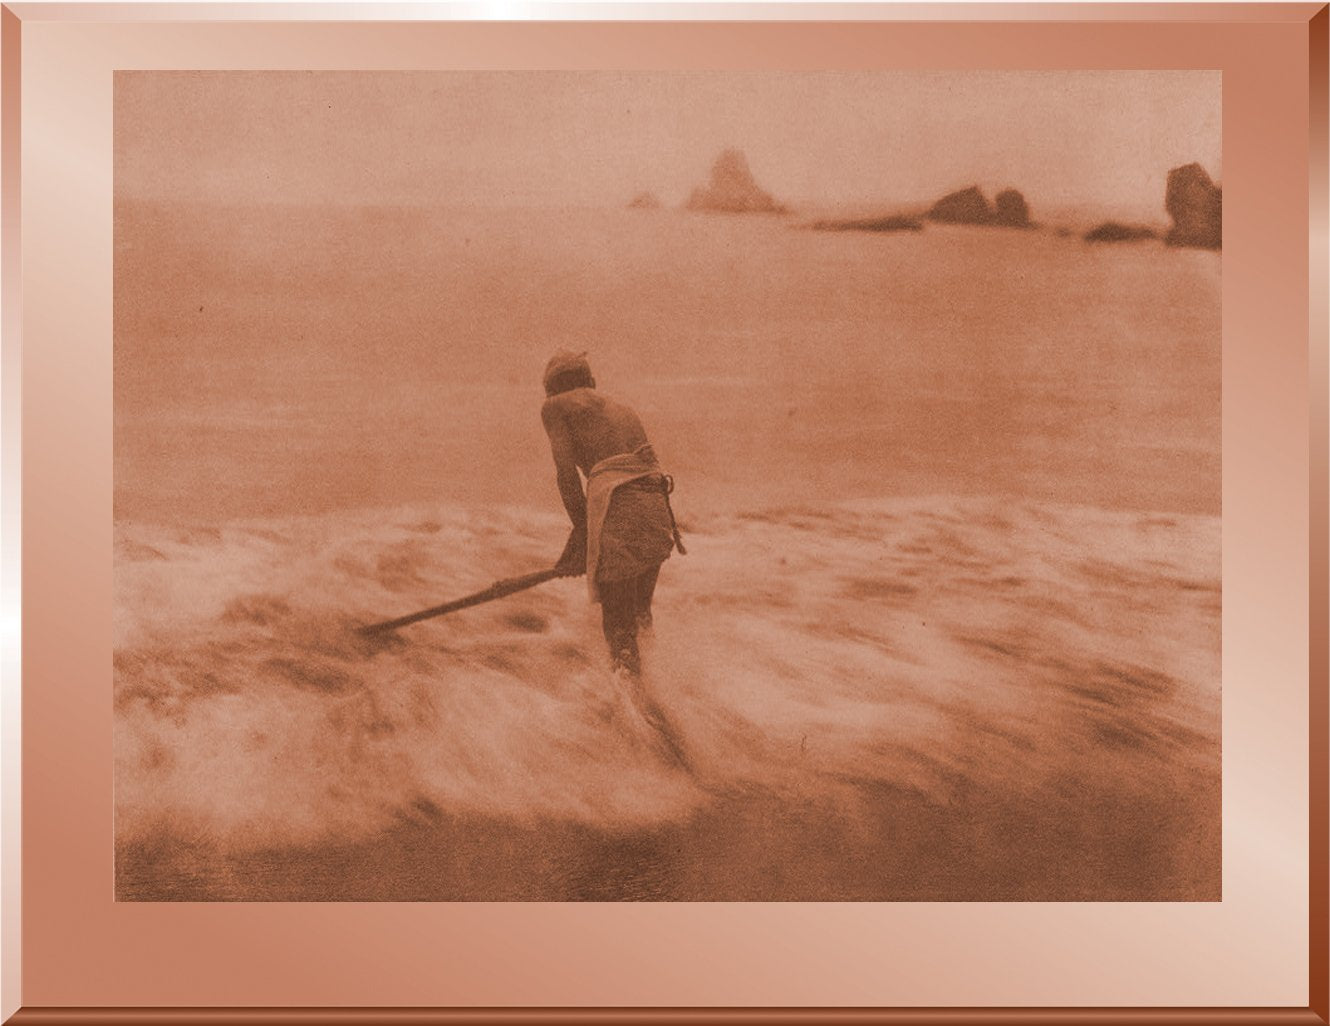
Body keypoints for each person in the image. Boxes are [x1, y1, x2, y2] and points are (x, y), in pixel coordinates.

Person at [540, 351, 684, 675]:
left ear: (551, 388)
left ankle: (628, 703)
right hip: (656, 505)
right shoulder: (622, 408)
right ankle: (658, 696)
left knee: (619, 630)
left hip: (619, 508)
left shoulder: (555, 406)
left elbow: (566, 476)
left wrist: (583, 534)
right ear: (590, 380)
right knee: (640, 619)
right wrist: (586, 541)